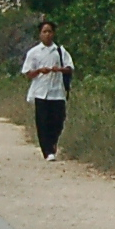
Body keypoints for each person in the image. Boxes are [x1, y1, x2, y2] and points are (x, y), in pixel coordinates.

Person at [21, 20, 76, 160]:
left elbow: (70, 68)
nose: (47, 34)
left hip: (57, 92)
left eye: (50, 31)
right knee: (43, 122)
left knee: (58, 120)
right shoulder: (34, 52)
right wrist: (39, 71)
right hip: (41, 92)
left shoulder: (60, 51)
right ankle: (47, 151)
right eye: (44, 32)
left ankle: (53, 143)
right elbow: (27, 73)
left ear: (53, 33)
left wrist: (59, 70)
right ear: (40, 34)